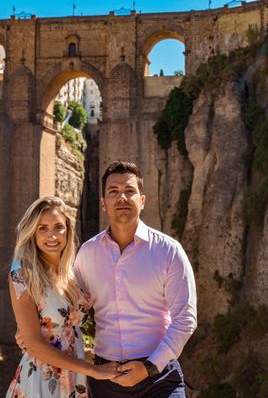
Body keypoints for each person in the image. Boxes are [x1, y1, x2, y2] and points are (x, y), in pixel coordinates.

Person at [76, 160, 197, 397]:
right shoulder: (87, 254)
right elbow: (72, 311)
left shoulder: (169, 251)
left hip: (159, 378)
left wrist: (149, 367)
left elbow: (185, 318)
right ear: (103, 203)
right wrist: (35, 331)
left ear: (142, 200)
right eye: (113, 192)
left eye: (129, 191)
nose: (122, 197)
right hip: (105, 380)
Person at [5, 196, 120, 398]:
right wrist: (93, 370)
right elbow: (33, 344)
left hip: (75, 378)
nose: (52, 235)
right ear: (32, 232)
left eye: (58, 227)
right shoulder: (22, 274)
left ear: (67, 229)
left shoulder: (73, 275)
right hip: (41, 380)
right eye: (42, 228)